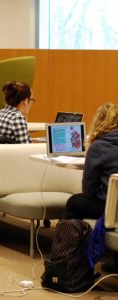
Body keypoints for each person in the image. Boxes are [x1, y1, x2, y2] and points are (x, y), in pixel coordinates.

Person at [64, 103, 118, 272]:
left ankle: (69, 258)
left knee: (73, 203)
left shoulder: (98, 147)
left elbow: (89, 190)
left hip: (112, 209)